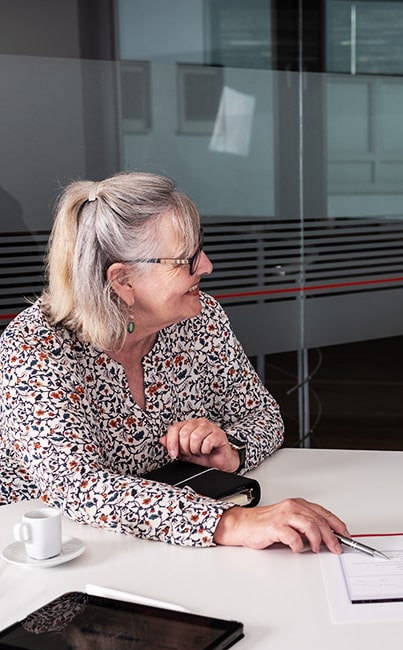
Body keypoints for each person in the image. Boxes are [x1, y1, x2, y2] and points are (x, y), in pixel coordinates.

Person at [0, 172, 347, 553]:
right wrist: (230, 522)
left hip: (160, 543)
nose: (207, 266)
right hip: (50, 553)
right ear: (122, 281)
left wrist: (232, 451)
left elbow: (264, 415)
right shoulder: (34, 347)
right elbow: (78, 487)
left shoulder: (201, 320)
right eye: (186, 260)